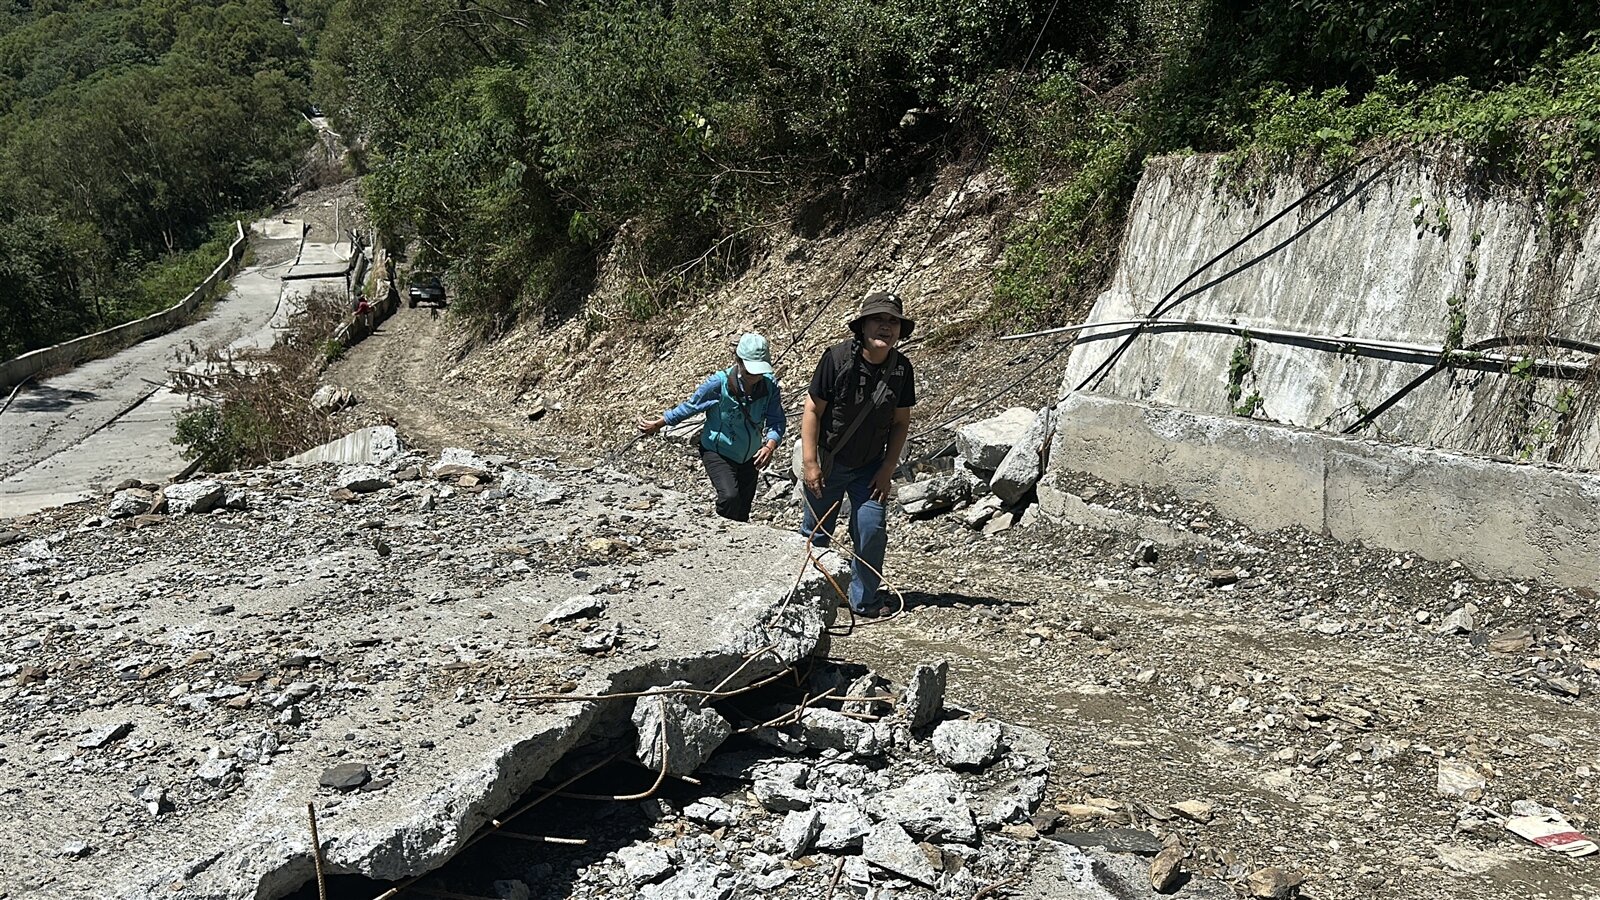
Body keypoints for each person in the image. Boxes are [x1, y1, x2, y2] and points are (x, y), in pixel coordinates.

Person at [799, 291, 916, 617]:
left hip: (870, 467)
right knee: (815, 533)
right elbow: (812, 410)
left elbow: (901, 422)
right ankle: (806, 596)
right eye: (878, 319)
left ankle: (863, 600)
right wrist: (810, 463)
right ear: (863, 326)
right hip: (830, 462)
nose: (886, 327)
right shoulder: (836, 360)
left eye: (893, 322)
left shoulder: (901, 370)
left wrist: (888, 468)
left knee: (871, 530)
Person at [639, 333, 785, 522]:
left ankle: (737, 538)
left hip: (751, 456)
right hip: (718, 451)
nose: (755, 378)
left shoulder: (769, 386)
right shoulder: (719, 383)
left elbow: (777, 420)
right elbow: (691, 406)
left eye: (759, 372)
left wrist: (770, 446)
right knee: (729, 497)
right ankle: (720, 531)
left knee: (743, 508)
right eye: (751, 372)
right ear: (739, 361)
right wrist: (660, 423)